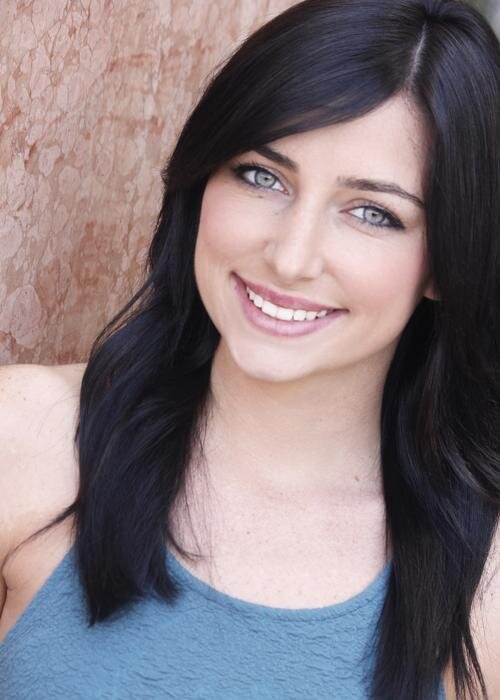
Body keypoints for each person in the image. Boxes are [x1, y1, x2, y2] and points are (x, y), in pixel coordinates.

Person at [1, 0, 499, 697]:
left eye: (373, 213)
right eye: (263, 175)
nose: (291, 258)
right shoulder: (29, 438)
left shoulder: (485, 580)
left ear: (449, 260)